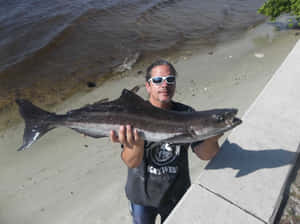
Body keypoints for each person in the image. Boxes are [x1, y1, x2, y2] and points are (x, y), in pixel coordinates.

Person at [110, 59, 221, 224]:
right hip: (142, 197)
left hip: (176, 194)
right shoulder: (133, 114)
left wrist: (213, 133)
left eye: (170, 80)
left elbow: (206, 155)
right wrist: (136, 145)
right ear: (148, 86)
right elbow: (131, 162)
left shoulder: (187, 114)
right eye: (157, 80)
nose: (165, 84)